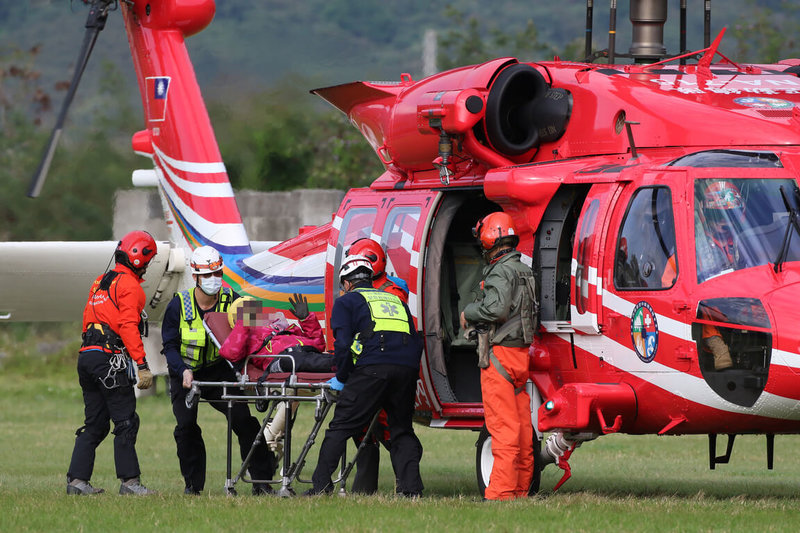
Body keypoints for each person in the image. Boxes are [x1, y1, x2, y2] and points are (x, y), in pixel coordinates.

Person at [161, 245, 275, 495]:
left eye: (217, 274)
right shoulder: (178, 305)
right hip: (186, 373)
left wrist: (250, 370)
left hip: (219, 370)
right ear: (195, 277)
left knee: (245, 421)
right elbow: (169, 346)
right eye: (208, 275)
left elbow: (256, 327)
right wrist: (182, 371)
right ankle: (193, 486)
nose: (214, 280)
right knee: (186, 427)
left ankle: (262, 482)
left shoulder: (231, 298)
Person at [307, 255, 424, 497]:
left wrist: (342, 376)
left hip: (373, 368)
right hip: (407, 369)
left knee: (341, 426)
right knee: (401, 429)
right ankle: (412, 491)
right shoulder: (395, 300)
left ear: (347, 283)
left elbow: (342, 345)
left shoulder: (347, 301)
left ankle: (320, 487)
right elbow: (414, 336)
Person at [66, 230, 158, 496]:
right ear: (138, 258)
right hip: (109, 360)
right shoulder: (130, 286)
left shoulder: (100, 282)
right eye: (148, 261)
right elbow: (128, 325)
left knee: (95, 423)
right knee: (126, 421)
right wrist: (141, 364)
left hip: (87, 357)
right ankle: (130, 483)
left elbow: (88, 318)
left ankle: (77, 482)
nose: (148, 267)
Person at [459, 211, 537, 501]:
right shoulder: (522, 269)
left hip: (500, 358)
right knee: (521, 430)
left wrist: (469, 312)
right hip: (519, 357)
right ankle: (519, 489)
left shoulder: (501, 271)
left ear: (489, 238)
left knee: (502, 429)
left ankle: (501, 493)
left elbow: (496, 309)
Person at [344, 238, 407, 494]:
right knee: (362, 429)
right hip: (367, 366)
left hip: (386, 366)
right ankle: (364, 490)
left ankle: (407, 483)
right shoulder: (362, 291)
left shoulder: (393, 291)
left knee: (391, 427)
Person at [219, 294, 330, 374]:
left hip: (305, 355)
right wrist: (243, 323)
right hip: (283, 360)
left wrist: (307, 320)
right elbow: (229, 354)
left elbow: (318, 346)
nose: (252, 315)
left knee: (339, 358)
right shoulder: (244, 339)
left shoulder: (279, 328)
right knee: (333, 363)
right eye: (247, 312)